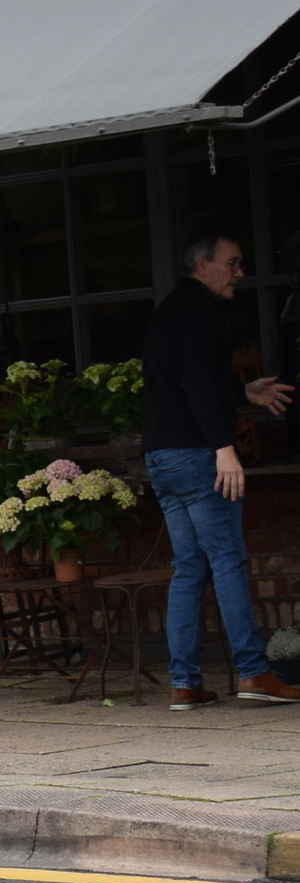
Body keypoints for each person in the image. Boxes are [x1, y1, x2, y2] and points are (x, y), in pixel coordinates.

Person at [142, 235, 296, 709]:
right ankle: (254, 672)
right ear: (204, 265)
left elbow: (190, 380)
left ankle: (185, 683)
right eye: (233, 263)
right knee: (227, 560)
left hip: (162, 457)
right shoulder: (203, 308)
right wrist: (225, 449)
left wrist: (243, 391)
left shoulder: (169, 309)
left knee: (189, 567)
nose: (240, 272)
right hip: (196, 456)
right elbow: (194, 381)